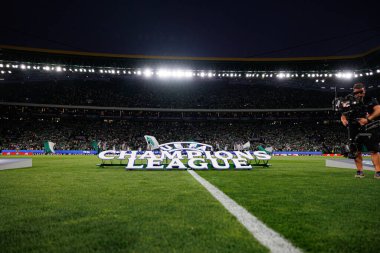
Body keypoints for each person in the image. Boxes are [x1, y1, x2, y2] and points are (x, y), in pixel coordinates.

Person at [340, 83, 380, 179]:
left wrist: (368, 119)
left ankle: (378, 171)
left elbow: (378, 110)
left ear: (364, 90)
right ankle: (359, 171)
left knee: (374, 150)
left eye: (361, 92)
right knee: (356, 150)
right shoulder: (348, 100)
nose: (359, 94)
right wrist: (344, 121)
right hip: (354, 128)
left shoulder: (370, 99)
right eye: (357, 92)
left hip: (369, 126)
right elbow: (343, 115)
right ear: (354, 92)